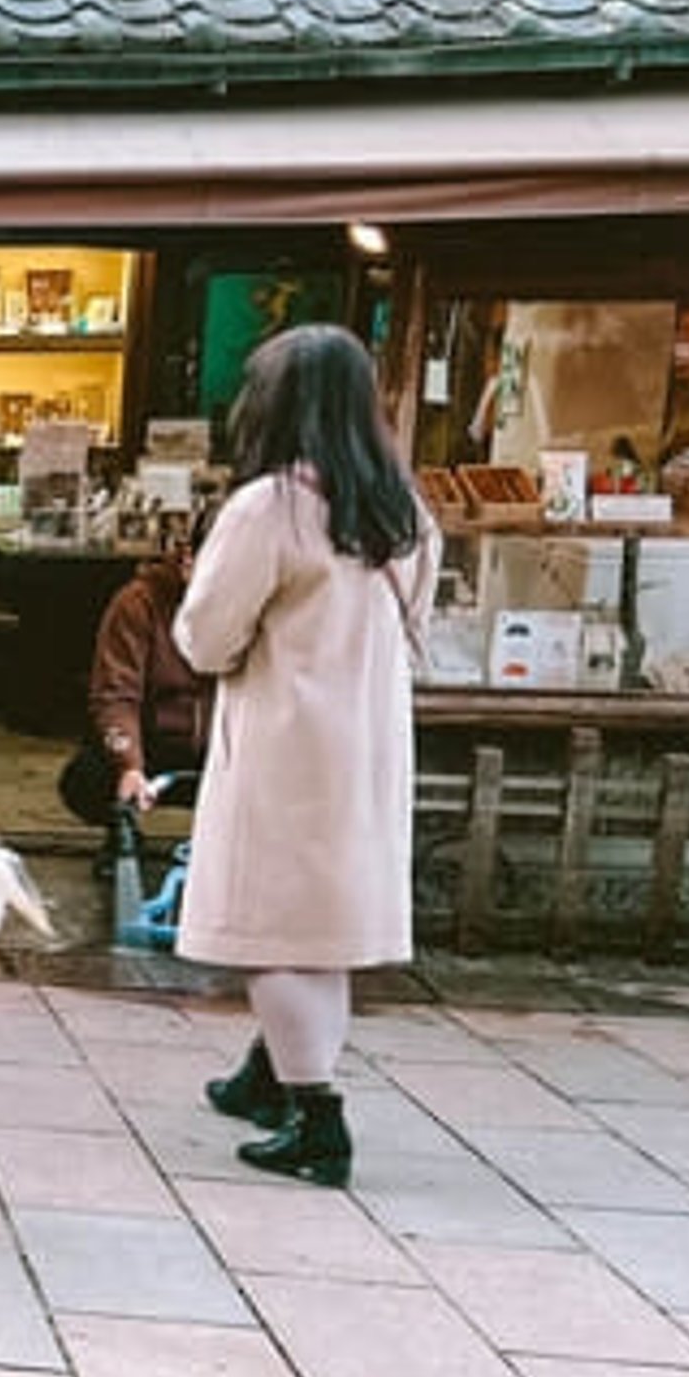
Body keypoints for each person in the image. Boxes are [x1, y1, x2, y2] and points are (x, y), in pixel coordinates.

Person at [174, 324, 439, 1189]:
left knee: (275, 934)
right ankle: (266, 1072)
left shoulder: (271, 508)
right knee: (320, 925)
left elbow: (206, 639)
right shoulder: (404, 512)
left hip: (285, 745)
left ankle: (317, 1117)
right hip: (367, 744)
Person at [59, 529, 214, 849]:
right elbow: (115, 695)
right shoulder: (138, 603)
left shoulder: (249, 605)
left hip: (220, 753)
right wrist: (129, 763)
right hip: (153, 747)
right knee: (86, 779)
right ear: (188, 558)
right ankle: (122, 836)